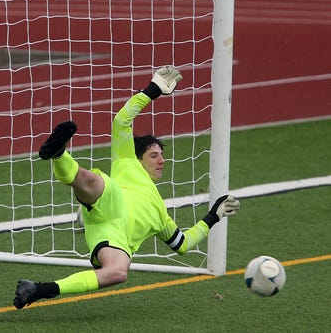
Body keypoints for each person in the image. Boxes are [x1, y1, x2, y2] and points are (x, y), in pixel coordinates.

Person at [13, 66, 240, 309]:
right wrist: (152, 91)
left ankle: (39, 289)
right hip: (111, 200)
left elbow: (182, 244)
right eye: (153, 155)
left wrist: (212, 217)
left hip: (113, 237)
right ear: (138, 157)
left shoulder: (161, 215)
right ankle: (59, 155)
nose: (161, 161)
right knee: (90, 181)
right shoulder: (127, 162)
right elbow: (122, 121)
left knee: (118, 272)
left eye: (161, 155)